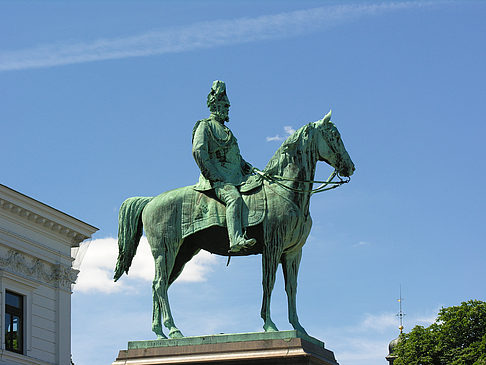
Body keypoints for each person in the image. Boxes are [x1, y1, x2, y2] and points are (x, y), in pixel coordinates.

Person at [192, 80, 257, 253]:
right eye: (225, 106)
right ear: (217, 106)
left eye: (228, 106)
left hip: (237, 177)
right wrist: (214, 175)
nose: (228, 109)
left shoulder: (227, 131)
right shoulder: (205, 126)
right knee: (234, 199)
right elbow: (199, 151)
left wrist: (251, 168)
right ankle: (235, 239)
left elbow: (236, 157)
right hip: (218, 180)